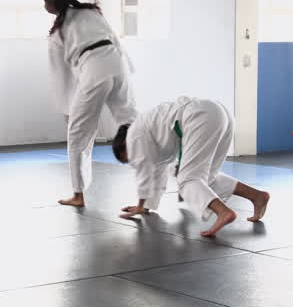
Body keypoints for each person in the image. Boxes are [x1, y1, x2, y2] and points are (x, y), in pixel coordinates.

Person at [112, 95, 270, 237]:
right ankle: (257, 196)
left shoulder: (134, 134)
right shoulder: (149, 136)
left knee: (188, 180)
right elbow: (157, 172)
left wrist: (140, 206)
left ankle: (223, 212)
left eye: (128, 159)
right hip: (219, 113)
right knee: (206, 180)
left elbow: (144, 172)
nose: (133, 162)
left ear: (125, 144)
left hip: (199, 116)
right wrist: (146, 205)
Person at [45, 0, 137, 207]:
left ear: (50, 5)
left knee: (77, 134)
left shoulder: (58, 32)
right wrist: (128, 70)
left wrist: (67, 110)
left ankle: (78, 194)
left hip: (95, 71)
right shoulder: (92, 12)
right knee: (133, 126)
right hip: (118, 64)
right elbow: (115, 38)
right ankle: (162, 175)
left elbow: (61, 76)